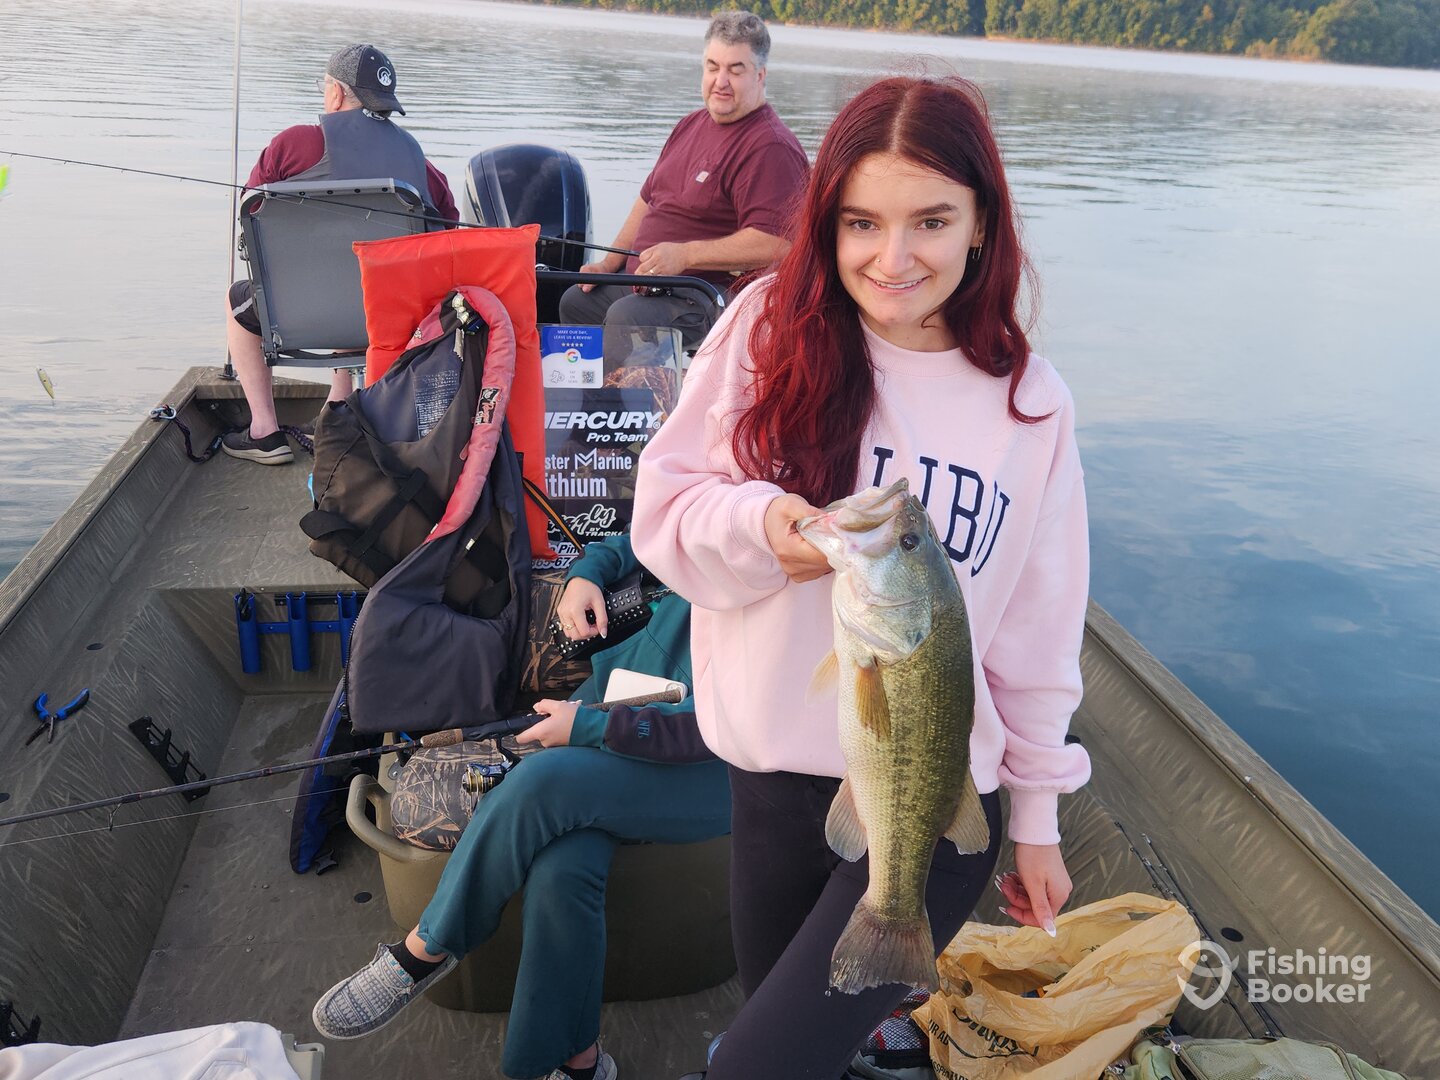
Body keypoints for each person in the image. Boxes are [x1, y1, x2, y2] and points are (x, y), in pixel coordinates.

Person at [630, 75, 1093, 1080]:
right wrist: (765, 527)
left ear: (982, 225)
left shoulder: (1030, 406)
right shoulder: (765, 327)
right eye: (859, 223)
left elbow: (1036, 637)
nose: (894, 258)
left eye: (931, 220)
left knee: (748, 1069)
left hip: (935, 811)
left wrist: (1041, 822)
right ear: (826, 226)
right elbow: (663, 519)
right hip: (771, 789)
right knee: (787, 1042)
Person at [311, 533, 730, 1080]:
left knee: (545, 781)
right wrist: (588, 573)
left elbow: (731, 721)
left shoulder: (805, 575)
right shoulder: (719, 497)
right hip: (614, 710)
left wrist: (590, 726)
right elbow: (644, 536)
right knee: (563, 864)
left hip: (708, 770)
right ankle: (576, 1065)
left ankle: (426, 949)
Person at [222, 44, 459, 465]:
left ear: (334, 93)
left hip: (301, 313)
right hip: (394, 320)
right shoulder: (419, 164)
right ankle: (337, 410)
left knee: (240, 298)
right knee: (361, 278)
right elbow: (449, 233)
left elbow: (251, 220)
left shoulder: (293, 145)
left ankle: (264, 432)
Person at [557, 11, 808, 351]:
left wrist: (685, 255)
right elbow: (648, 200)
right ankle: (591, 398)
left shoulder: (770, 147)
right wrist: (609, 264)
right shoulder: (690, 124)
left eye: (736, 70)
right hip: (650, 283)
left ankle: (629, 399)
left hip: (712, 296)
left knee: (628, 317)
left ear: (760, 75)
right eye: (712, 66)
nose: (721, 80)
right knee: (576, 301)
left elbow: (779, 243)